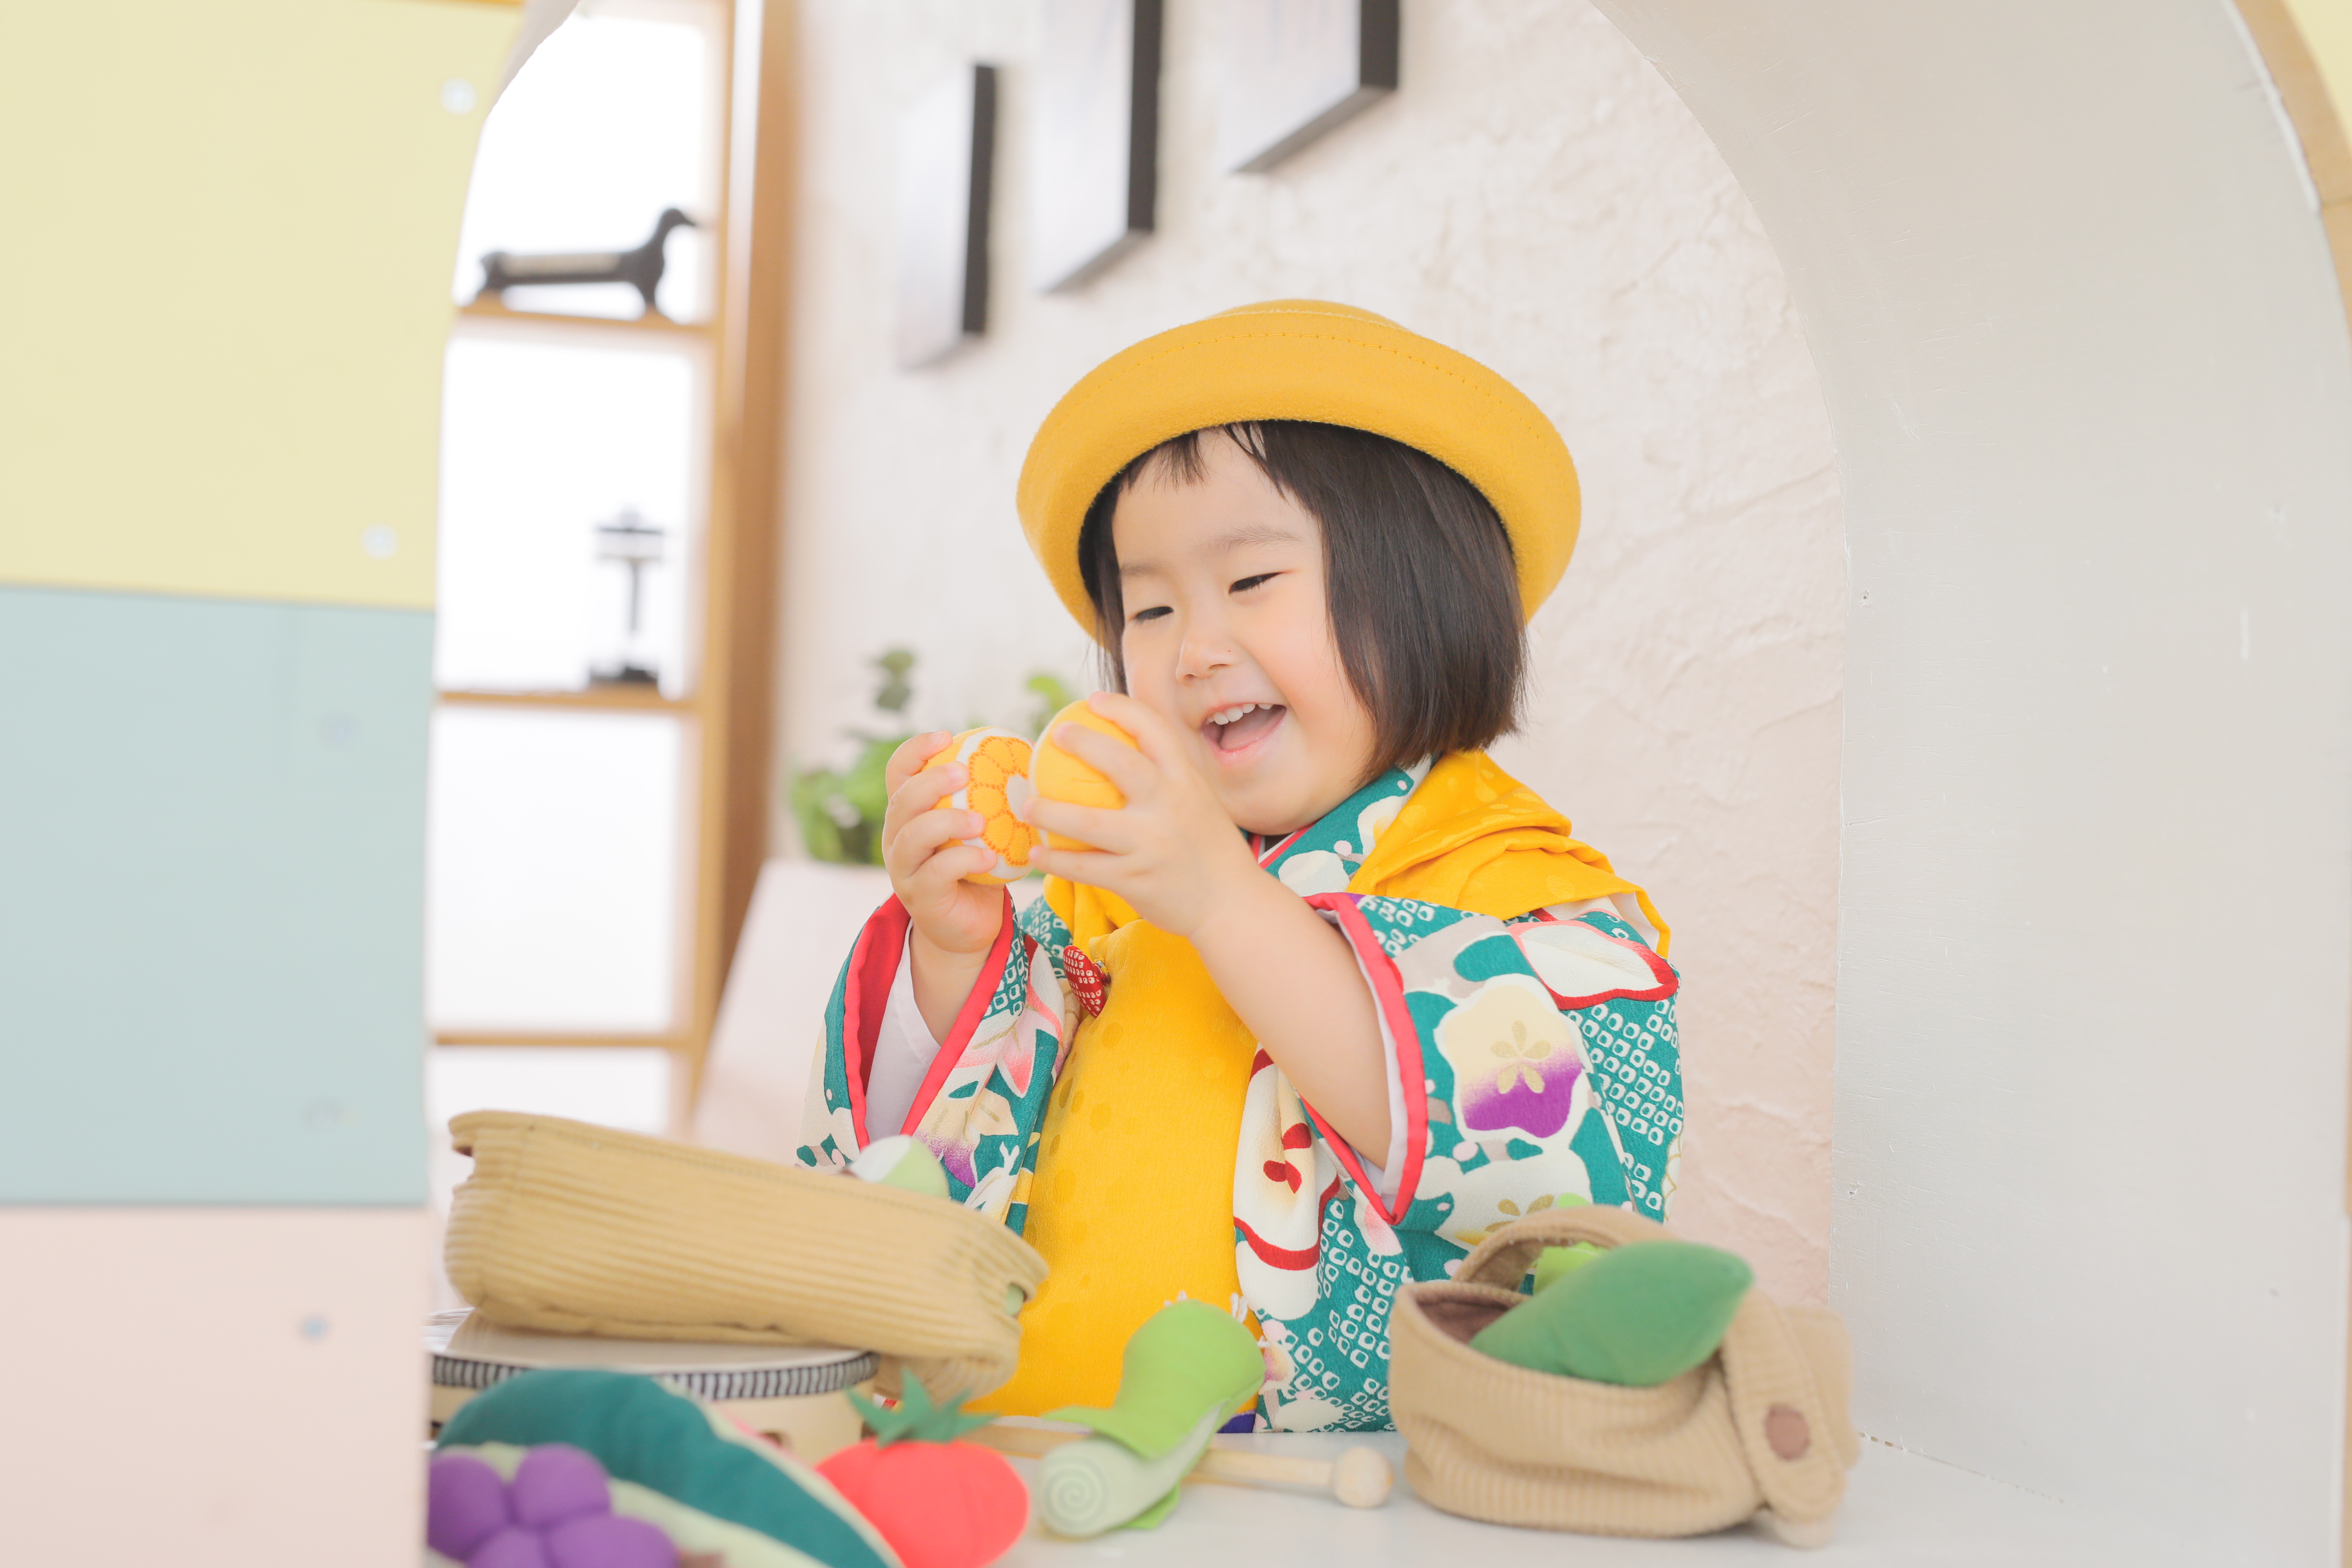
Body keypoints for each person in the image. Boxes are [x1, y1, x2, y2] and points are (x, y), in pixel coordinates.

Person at [796, 301, 1684, 1432]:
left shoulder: (1509, 879)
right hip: (1025, 1448)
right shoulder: (1102, 886)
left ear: (1427, 598)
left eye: (1252, 581)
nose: (1194, 649)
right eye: (1151, 607)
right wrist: (955, 956)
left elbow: (1528, 1168)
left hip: (1320, 1494)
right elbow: (930, 1168)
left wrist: (1220, 897)